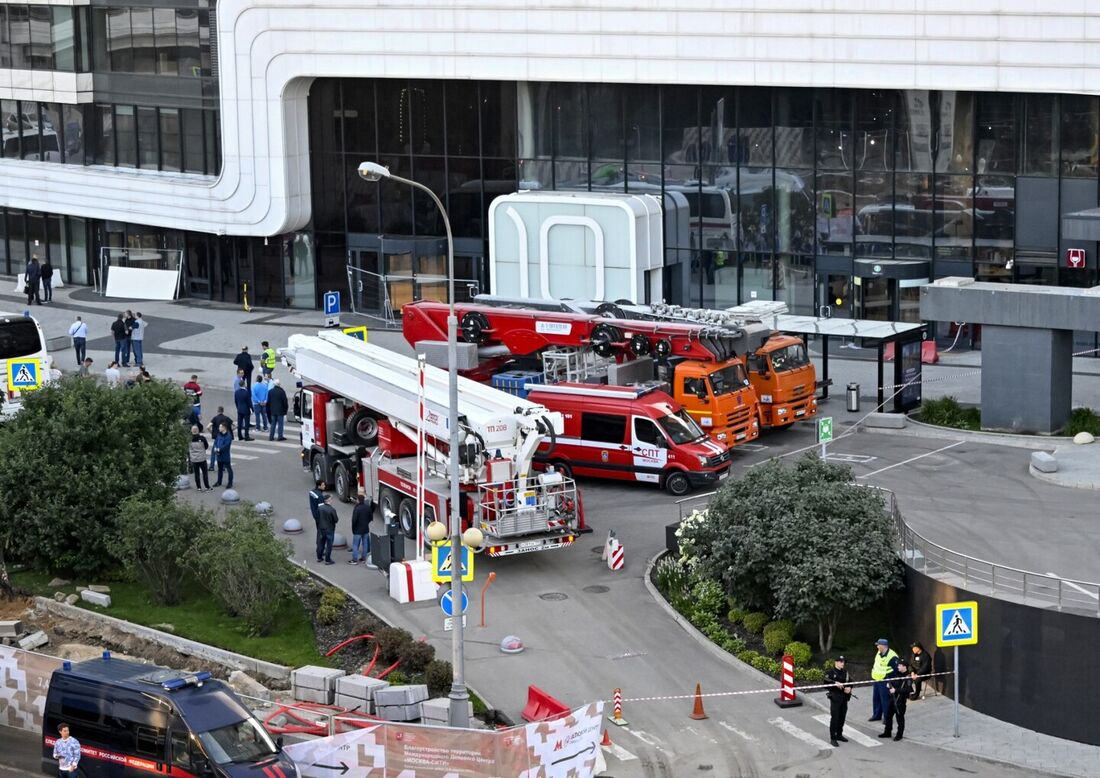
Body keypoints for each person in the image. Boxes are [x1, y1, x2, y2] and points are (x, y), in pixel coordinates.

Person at [880, 657, 913, 741]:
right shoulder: (896, 674)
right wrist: (889, 685)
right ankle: (887, 732)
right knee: (888, 716)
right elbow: (892, 682)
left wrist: (896, 690)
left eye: (899, 665)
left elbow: (909, 689)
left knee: (900, 718)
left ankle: (899, 735)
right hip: (892, 699)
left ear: (904, 666)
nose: (898, 666)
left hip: (900, 701)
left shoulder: (908, 677)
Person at [825, 655, 852, 747]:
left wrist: (849, 688)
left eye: (843, 662)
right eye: (841, 661)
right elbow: (825, 682)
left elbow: (851, 682)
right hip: (835, 698)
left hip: (844, 698)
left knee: (842, 717)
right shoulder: (830, 672)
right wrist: (834, 683)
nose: (842, 663)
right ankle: (833, 738)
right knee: (835, 718)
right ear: (836, 662)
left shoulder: (845, 672)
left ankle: (839, 734)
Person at [869, 638, 898, 722]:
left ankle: (887, 718)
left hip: (885, 681)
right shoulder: (879, 653)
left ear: (883, 646)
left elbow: (896, 670)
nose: (877, 646)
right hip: (877, 679)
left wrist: (890, 681)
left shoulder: (892, 656)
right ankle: (876, 715)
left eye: (878, 645)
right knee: (876, 699)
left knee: (885, 700)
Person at [349, 490, 374, 565]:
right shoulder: (367, 507)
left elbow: (354, 520)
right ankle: (364, 558)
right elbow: (371, 517)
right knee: (365, 544)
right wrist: (366, 523)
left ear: (358, 500)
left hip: (357, 530)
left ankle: (354, 560)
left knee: (355, 545)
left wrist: (353, 528)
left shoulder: (357, 508)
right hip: (365, 529)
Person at [316, 493, 338, 565]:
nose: (332, 500)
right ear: (328, 500)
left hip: (321, 528)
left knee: (321, 543)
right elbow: (336, 520)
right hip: (329, 529)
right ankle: (327, 560)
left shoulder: (320, 508)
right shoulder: (332, 509)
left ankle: (319, 557)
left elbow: (317, 517)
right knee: (329, 545)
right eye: (331, 499)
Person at [308, 480, 327, 562]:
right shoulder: (320, 496)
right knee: (321, 535)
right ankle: (320, 552)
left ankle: (319, 549)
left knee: (319, 532)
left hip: (315, 516)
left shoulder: (312, 492)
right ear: (319, 486)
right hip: (320, 518)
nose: (324, 486)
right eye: (323, 485)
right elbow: (322, 509)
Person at [189, 425, 211, 491]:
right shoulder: (202, 438)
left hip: (194, 459)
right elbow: (206, 446)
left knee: (196, 473)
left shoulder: (189, 439)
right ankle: (207, 486)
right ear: (198, 431)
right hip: (202, 458)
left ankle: (198, 487)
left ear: (191, 431)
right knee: (204, 473)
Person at [212, 422, 234, 488]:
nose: (219, 428)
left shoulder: (228, 436)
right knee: (220, 469)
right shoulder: (219, 434)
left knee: (229, 469)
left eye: (220, 427)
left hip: (225, 455)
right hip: (219, 455)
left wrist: (219, 449)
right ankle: (219, 482)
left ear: (224, 428)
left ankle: (230, 483)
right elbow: (215, 442)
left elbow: (226, 446)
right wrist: (215, 447)